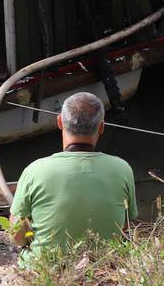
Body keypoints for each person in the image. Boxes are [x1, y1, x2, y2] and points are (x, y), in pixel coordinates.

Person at [8, 92, 137, 265]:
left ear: (60, 122)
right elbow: (126, 225)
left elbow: (16, 235)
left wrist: (30, 236)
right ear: (101, 127)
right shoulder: (122, 169)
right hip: (103, 269)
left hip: (43, 271)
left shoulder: (35, 170)